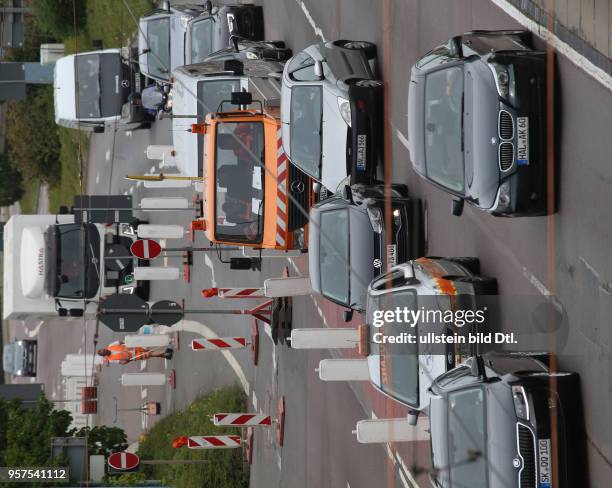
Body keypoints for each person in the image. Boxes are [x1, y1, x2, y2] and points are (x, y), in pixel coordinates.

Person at [97, 341, 173, 365]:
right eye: (104, 352)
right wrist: (128, 360)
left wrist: (129, 342)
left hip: (133, 347)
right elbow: (121, 362)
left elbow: (120, 342)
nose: (105, 351)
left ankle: (165, 356)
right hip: (133, 356)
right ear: (104, 355)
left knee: (149, 352)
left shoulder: (110, 346)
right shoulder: (110, 359)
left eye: (104, 349)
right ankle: (165, 352)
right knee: (149, 354)